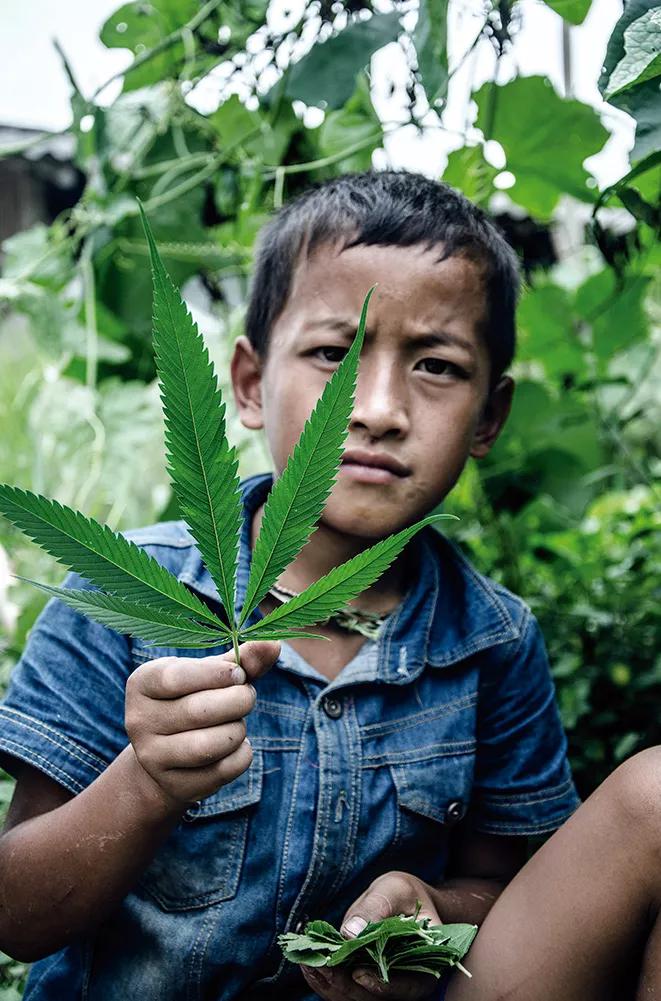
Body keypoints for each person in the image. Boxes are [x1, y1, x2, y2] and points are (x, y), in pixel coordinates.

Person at [0, 171, 656, 1001]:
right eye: (331, 354)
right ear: (248, 383)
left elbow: (501, 885)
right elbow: (16, 915)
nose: (375, 407)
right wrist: (144, 784)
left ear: (488, 417)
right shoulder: (129, 597)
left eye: (435, 364)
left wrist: (431, 907)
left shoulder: (491, 640)